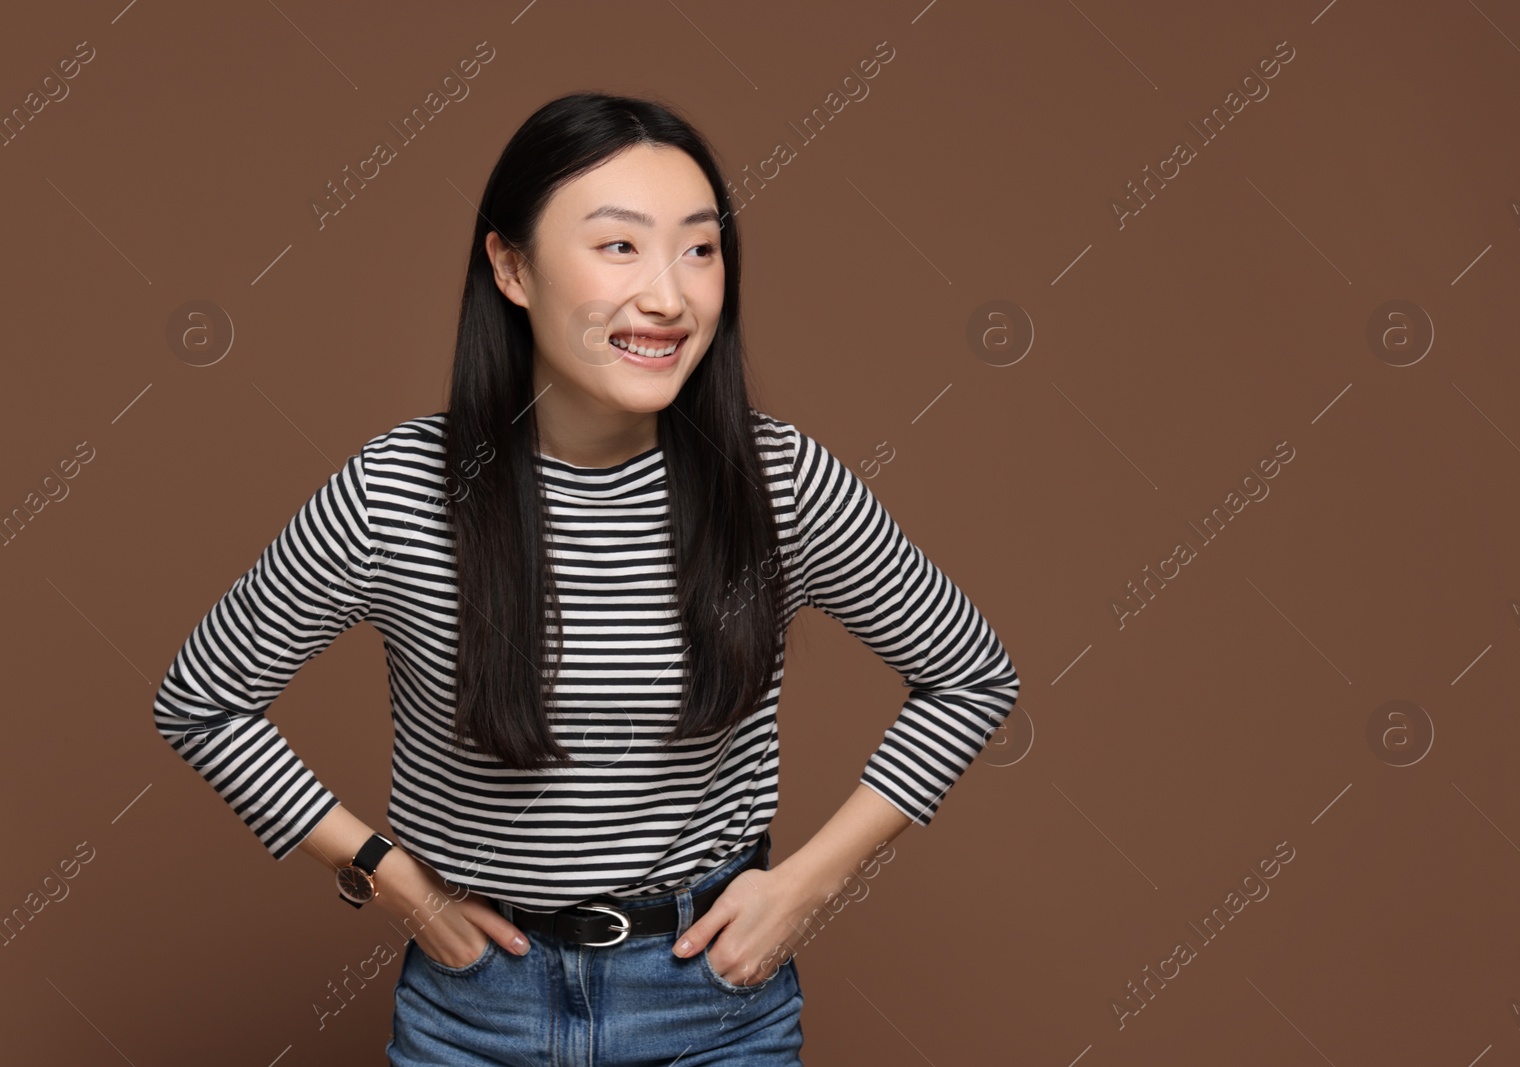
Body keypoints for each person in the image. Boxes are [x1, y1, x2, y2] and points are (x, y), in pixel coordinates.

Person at [152, 91, 1021, 1066]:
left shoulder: (777, 483)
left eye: (698, 249)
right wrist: (385, 874)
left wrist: (807, 883)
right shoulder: (399, 489)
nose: (669, 295)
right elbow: (203, 700)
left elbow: (971, 676)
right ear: (511, 267)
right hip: (472, 1013)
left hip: (710, 1012)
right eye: (618, 247)